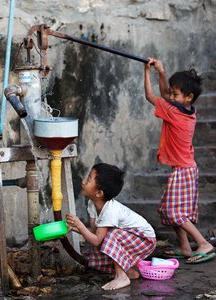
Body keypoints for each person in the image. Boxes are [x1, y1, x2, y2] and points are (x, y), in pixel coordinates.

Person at [144, 58, 215, 264]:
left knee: (175, 212)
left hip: (184, 170)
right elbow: (166, 95)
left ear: (188, 97)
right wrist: (161, 71)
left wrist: (147, 71)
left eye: (175, 94)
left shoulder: (174, 113)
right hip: (185, 168)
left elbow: (151, 96)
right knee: (168, 209)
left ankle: (203, 243)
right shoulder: (187, 110)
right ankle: (185, 247)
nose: (170, 96)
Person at [66, 163, 156, 290]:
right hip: (131, 238)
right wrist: (74, 228)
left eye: (88, 179)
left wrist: (79, 224)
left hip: (145, 240)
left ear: (99, 193)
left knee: (110, 235)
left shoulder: (110, 210)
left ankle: (121, 277)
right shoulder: (92, 204)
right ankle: (129, 272)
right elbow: (94, 232)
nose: (83, 181)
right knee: (106, 236)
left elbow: (96, 240)